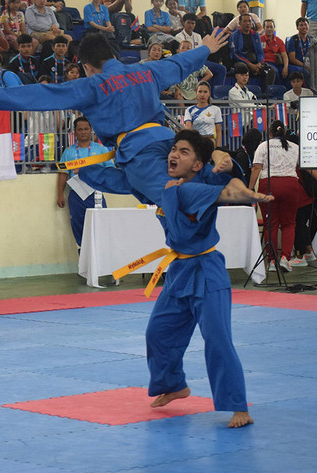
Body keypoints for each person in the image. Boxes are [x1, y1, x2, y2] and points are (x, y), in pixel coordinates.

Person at [106, 129, 269, 427]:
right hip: (179, 270)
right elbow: (130, 183)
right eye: (173, 149)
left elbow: (231, 187)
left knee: (218, 339)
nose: (174, 155)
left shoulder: (204, 183)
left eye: (184, 152)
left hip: (207, 270)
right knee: (157, 332)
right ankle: (173, 385)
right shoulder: (167, 186)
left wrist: (229, 164)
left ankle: (238, 407)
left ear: (197, 164)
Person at [0, 30, 234, 207]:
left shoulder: (93, 85)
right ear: (112, 55)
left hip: (137, 151)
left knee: (177, 200)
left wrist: (2, 97)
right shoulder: (147, 69)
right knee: (92, 174)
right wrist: (205, 49)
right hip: (168, 141)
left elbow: (50, 93)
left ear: (85, 66)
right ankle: (225, 174)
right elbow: (179, 64)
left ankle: (223, 193)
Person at [248, 120, 302, 272]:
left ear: (269, 133)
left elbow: (256, 168)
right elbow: (307, 168)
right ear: (284, 133)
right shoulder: (295, 147)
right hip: (291, 185)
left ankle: (272, 261)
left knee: (270, 224)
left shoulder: (263, 146)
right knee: (289, 224)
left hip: (269, 185)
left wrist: (250, 189)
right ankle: (285, 258)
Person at [56, 116, 113, 247]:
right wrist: (60, 195)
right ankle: (83, 256)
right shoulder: (69, 152)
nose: (83, 132)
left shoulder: (101, 150)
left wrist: (94, 171)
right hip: (76, 195)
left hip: (95, 193)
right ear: (75, 132)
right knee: (78, 224)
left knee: (101, 224)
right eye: (80, 129)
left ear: (91, 130)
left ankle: (101, 255)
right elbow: (63, 174)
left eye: (86, 129)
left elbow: (110, 170)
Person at [176, 13, 226, 86]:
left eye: (193, 23)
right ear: (183, 23)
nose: (190, 25)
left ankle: (216, 94)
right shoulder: (179, 37)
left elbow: (201, 52)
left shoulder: (197, 36)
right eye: (188, 23)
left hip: (200, 61)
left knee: (222, 69)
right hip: (188, 62)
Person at [229, 14, 276, 88]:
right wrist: (249, 64)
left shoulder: (255, 34)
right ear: (240, 23)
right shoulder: (235, 35)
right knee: (243, 68)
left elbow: (260, 52)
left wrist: (259, 64)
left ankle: (266, 94)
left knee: (271, 70)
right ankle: (247, 93)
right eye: (245, 21)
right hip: (241, 61)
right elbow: (235, 54)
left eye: (249, 21)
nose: (247, 23)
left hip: (255, 62)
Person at [184, 82, 222, 146]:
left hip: (210, 142)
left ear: (209, 93)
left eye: (205, 92)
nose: (202, 95)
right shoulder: (189, 110)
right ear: (196, 93)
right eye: (200, 91)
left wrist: (218, 148)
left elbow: (218, 131)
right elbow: (188, 130)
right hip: (196, 143)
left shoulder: (216, 109)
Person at [228, 62, 257, 128]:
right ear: (236, 76)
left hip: (250, 124)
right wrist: (262, 107)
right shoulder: (233, 92)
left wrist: (263, 106)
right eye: (242, 75)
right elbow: (244, 105)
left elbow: (258, 104)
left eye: (246, 75)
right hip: (239, 124)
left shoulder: (250, 93)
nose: (245, 78)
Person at [286, 17, 312, 85]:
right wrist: (305, 66)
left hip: (309, 65)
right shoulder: (293, 40)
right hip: (297, 65)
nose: (304, 27)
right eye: (301, 25)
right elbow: (292, 59)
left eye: (305, 25)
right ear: (297, 28)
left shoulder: (311, 39)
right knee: (305, 72)